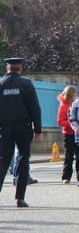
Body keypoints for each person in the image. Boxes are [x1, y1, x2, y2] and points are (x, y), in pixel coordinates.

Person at [0, 57, 41, 208]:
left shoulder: (1, 84)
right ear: (20, 68)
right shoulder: (26, 84)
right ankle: (20, 198)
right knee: (23, 160)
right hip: (23, 127)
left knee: (3, 161)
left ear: (7, 68)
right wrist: (38, 128)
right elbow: (34, 107)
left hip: (5, 128)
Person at [57, 85, 79, 184]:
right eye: (74, 94)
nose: (76, 95)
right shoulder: (63, 106)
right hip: (69, 133)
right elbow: (60, 121)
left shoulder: (77, 104)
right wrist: (71, 124)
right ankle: (66, 177)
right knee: (69, 156)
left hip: (78, 133)